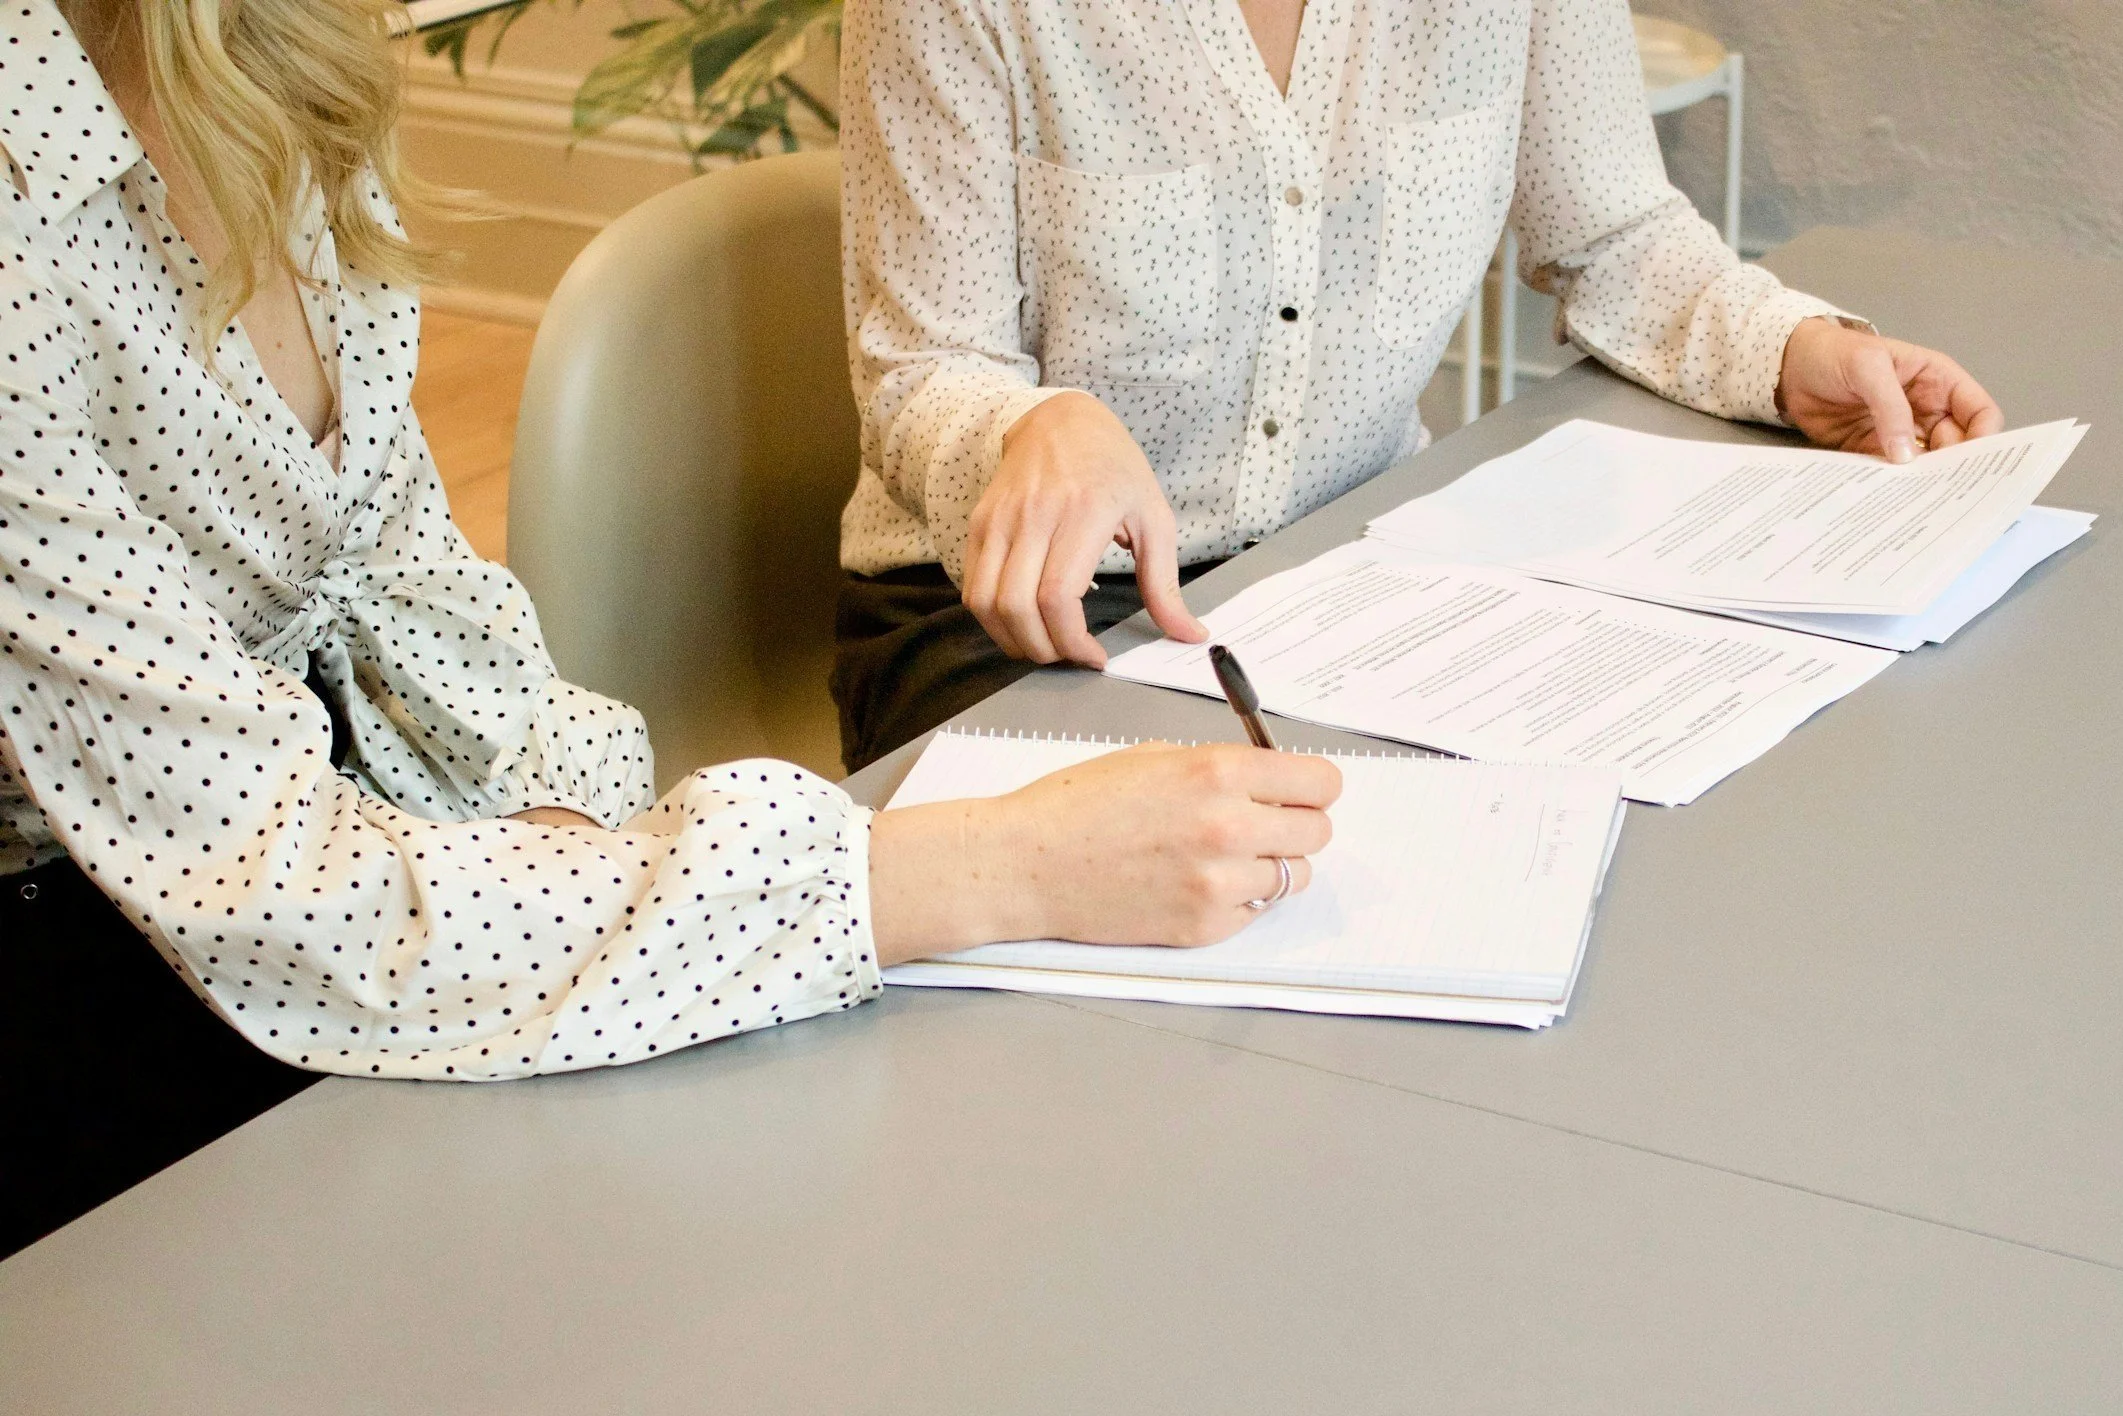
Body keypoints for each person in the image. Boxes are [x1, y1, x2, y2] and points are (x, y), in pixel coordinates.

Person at [0, 0, 1340, 1259]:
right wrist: (997, 869)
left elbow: (412, 597)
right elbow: (286, 899)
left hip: (330, 865)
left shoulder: (273, 64)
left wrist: (570, 837)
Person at [832, 0, 2006, 771]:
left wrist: (1793, 350)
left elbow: (1611, 231)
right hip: (1015, 618)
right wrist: (1032, 426)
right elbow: (920, 368)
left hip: (1346, 579)